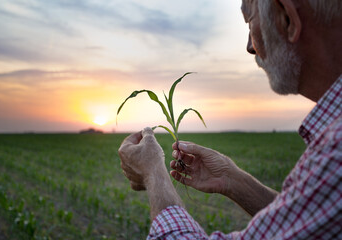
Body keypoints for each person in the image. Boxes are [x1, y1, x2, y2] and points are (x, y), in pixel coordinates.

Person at [118, 0, 342, 239]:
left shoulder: (337, 148)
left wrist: (153, 173)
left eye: (250, 21)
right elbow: (303, 220)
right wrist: (231, 179)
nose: (250, 47)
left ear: (287, 19)